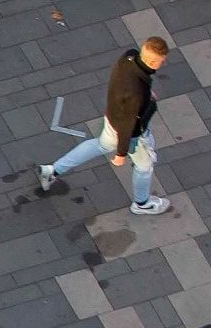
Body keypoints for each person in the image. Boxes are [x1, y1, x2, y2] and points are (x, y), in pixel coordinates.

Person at [39, 37, 169, 215]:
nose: (164, 62)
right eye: (162, 60)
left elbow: (128, 87)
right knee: (145, 167)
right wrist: (121, 154)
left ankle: (53, 170)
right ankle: (141, 203)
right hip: (130, 134)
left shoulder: (129, 57)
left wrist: (146, 93)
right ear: (153, 61)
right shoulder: (138, 92)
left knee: (101, 144)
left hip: (111, 117)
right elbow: (128, 124)